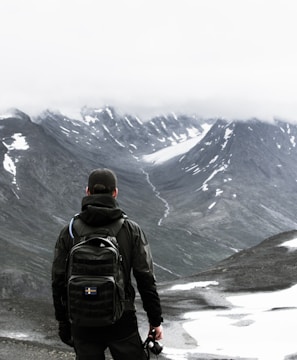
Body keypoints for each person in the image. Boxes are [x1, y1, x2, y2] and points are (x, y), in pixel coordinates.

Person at [52, 168, 163, 360]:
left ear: (88, 192)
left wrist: (63, 322)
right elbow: (145, 278)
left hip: (81, 320)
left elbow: (58, 280)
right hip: (122, 319)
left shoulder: (68, 231)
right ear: (115, 193)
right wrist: (155, 321)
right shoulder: (131, 230)